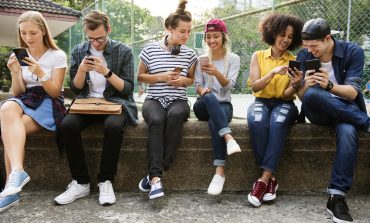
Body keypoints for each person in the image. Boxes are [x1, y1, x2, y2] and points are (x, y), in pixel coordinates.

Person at [54, 10, 138, 206]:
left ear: (108, 30)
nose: (96, 43)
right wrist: (82, 70)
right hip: (87, 102)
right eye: (91, 39)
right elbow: (75, 89)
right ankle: (81, 182)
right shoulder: (78, 51)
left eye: (100, 38)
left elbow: (127, 89)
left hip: (116, 103)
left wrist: (106, 71)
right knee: (67, 125)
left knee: (114, 127)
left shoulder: (123, 51)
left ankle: (105, 180)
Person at [294, 18, 370, 223]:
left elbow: (353, 93)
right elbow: (303, 97)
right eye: (306, 46)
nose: (309, 51)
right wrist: (304, 85)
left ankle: (336, 197)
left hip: (346, 110)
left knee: (348, 131)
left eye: (313, 46)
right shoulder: (304, 55)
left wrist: (328, 86)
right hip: (318, 110)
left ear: (328, 38)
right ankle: (366, 122)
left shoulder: (353, 52)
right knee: (311, 95)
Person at [0, 11, 67, 212]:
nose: (28, 38)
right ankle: (17, 174)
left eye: (33, 33)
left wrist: (40, 73)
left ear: (43, 31)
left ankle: (9, 191)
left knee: (8, 131)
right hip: (26, 99)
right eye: (24, 33)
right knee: (7, 107)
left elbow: (55, 91)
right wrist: (15, 73)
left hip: (49, 101)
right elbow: (19, 92)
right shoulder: (20, 55)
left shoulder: (57, 55)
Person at [137, 0, 197, 200]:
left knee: (175, 115)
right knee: (156, 120)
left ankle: (155, 173)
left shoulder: (190, 53)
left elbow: (190, 80)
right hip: (154, 98)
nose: (187, 35)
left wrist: (181, 81)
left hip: (178, 99)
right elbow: (140, 77)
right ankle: (155, 180)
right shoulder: (150, 50)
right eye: (182, 31)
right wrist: (162, 77)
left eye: (189, 31)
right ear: (169, 29)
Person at [246, 13, 304, 207]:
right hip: (261, 101)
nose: (286, 39)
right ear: (272, 33)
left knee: (278, 124)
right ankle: (271, 180)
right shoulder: (258, 56)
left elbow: (287, 94)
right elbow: (255, 87)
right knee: (256, 122)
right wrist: (271, 73)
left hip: (284, 104)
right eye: (282, 34)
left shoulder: (294, 60)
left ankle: (263, 180)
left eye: (290, 36)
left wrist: (296, 85)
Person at [193, 18, 241, 195]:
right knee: (209, 97)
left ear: (223, 37)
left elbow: (229, 87)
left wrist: (216, 73)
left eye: (216, 36)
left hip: (224, 105)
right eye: (208, 37)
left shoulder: (234, 59)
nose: (212, 40)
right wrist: (202, 89)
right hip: (202, 104)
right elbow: (196, 84)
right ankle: (228, 138)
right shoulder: (201, 59)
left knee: (216, 120)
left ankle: (219, 173)